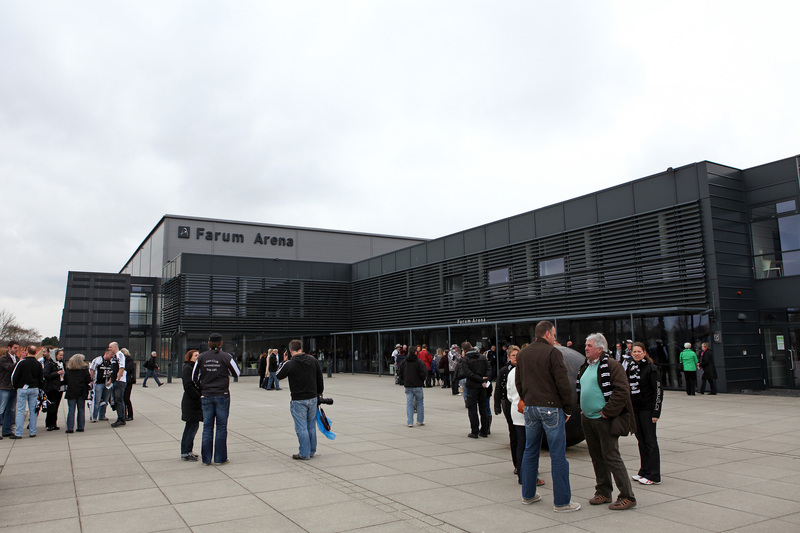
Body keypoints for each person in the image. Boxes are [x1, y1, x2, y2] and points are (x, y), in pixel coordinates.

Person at [515, 321, 580, 512]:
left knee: (530, 451)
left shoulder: (523, 354)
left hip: (531, 408)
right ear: (547, 334)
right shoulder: (553, 353)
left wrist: (528, 399)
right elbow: (563, 383)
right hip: (551, 408)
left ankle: (528, 495)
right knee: (558, 455)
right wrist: (568, 408)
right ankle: (562, 502)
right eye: (554, 334)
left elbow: (519, 382)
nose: (555, 338)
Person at [577, 333, 637, 510]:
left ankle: (627, 496)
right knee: (597, 457)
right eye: (586, 345)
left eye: (589, 346)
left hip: (604, 420)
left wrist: (607, 412)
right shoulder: (586, 366)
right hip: (588, 419)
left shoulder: (611, 365)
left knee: (611, 457)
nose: (586, 348)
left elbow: (622, 391)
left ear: (600, 348)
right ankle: (603, 491)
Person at [193, 333, 240, 465]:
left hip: (206, 395)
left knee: (207, 427)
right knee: (221, 427)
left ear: (209, 343)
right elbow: (236, 373)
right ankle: (220, 458)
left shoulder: (202, 357)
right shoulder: (226, 356)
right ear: (221, 343)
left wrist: (201, 389)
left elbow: (194, 377)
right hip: (222, 394)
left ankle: (206, 459)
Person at [276, 339, 324, 460]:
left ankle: (304, 453)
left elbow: (278, 375)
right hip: (312, 398)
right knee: (311, 426)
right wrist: (319, 393)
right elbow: (319, 378)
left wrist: (283, 361)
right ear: (301, 348)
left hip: (298, 399)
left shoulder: (290, 363)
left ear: (290, 350)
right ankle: (311, 450)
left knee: (301, 427)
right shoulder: (312, 360)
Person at [627, 342, 663, 485]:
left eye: (639, 352)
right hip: (636, 410)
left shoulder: (651, 369)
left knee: (650, 441)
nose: (636, 354)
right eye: (634, 352)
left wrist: (656, 412)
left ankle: (654, 475)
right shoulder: (631, 368)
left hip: (648, 410)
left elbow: (658, 392)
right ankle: (644, 470)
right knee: (641, 441)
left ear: (644, 353)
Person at [10, 345, 44, 438]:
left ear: (27, 352)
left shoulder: (21, 363)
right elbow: (41, 377)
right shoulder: (38, 364)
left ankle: (18, 433)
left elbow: (14, 376)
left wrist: (16, 386)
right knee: (33, 411)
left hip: (22, 388)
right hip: (34, 388)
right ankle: (32, 432)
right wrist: (40, 387)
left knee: (20, 411)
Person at [461, 342, 490, 438]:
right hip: (482, 386)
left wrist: (479, 379)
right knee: (483, 408)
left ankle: (474, 431)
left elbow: (468, 373)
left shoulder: (465, 359)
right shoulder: (482, 357)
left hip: (472, 386)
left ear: (464, 350)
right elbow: (489, 368)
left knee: (472, 409)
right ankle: (484, 431)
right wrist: (485, 379)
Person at [181, 349, 202, 461]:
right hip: (191, 402)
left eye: (198, 355)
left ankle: (188, 450)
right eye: (195, 355)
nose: (198, 357)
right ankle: (186, 452)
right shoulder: (188, 368)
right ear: (190, 358)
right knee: (191, 427)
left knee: (192, 426)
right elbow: (188, 386)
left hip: (194, 402)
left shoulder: (195, 368)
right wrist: (198, 396)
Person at [64, 353, 92, 433]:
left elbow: (66, 381)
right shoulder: (84, 369)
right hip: (81, 391)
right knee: (81, 409)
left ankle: (70, 428)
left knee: (71, 410)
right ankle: (81, 426)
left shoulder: (69, 370)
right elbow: (88, 380)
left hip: (71, 391)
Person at [399, 345, 426, 427]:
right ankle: (420, 420)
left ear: (408, 353)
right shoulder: (419, 362)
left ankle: (410, 422)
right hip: (418, 385)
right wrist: (421, 380)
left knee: (409, 404)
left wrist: (404, 379)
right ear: (415, 353)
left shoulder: (404, 362)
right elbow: (423, 373)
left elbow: (400, 372)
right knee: (420, 403)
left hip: (408, 385)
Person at [0, 341, 20, 438]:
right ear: (9, 348)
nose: (16, 350)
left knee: (11, 410)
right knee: (1, 409)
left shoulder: (17, 358)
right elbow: (10, 368)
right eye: (15, 348)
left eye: (17, 348)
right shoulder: (4, 358)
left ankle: (7, 430)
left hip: (13, 387)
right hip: (4, 386)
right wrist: (20, 363)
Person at [43, 348, 65, 431]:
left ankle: (54, 423)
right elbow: (46, 375)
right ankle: (49, 424)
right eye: (60, 355)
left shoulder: (62, 363)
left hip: (60, 387)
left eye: (62, 355)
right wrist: (57, 373)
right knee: (51, 406)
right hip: (52, 388)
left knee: (56, 406)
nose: (61, 357)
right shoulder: (49, 363)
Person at [89, 349, 113, 422]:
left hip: (107, 383)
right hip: (99, 383)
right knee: (97, 400)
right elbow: (92, 369)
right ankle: (94, 416)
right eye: (111, 354)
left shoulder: (112, 361)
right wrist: (91, 380)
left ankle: (102, 415)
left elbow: (114, 372)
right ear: (106, 353)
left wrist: (110, 381)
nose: (112, 356)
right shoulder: (98, 360)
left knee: (105, 400)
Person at [108, 342, 128, 427]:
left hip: (119, 382)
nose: (109, 349)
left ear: (115, 347)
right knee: (116, 400)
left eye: (111, 347)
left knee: (119, 400)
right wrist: (110, 380)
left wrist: (118, 378)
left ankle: (121, 419)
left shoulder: (120, 355)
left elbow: (121, 367)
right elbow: (113, 370)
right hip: (114, 381)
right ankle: (121, 417)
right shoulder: (114, 357)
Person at [122, 348, 135, 420]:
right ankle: (124, 414)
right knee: (123, 398)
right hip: (125, 380)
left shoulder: (129, 360)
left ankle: (130, 415)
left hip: (128, 380)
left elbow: (128, 368)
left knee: (126, 398)